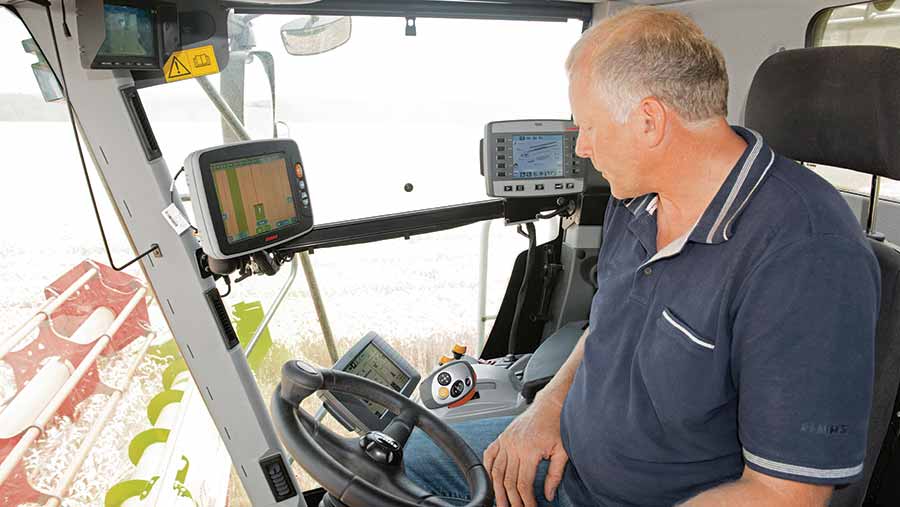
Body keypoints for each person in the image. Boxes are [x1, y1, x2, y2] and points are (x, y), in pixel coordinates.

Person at [405, 6, 880, 506]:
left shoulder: (807, 256)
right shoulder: (635, 199)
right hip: (567, 458)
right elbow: (605, 327)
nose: (583, 148)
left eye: (588, 127)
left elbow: (786, 496)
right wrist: (547, 408)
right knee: (394, 460)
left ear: (650, 121)